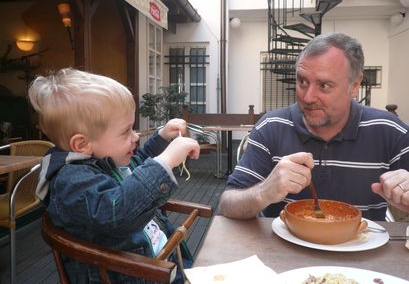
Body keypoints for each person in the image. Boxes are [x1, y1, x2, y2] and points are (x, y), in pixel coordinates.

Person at [28, 68, 200, 283]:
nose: (135, 136)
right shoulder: (71, 181)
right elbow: (118, 213)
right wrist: (165, 162)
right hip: (135, 274)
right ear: (82, 144)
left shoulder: (101, 160)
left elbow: (137, 164)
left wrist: (162, 138)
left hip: (159, 263)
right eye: (126, 131)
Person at [219, 32, 409, 221]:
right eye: (302, 81)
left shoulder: (390, 131)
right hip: (280, 250)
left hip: (362, 247)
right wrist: (265, 191)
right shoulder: (272, 127)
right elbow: (228, 204)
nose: (308, 97)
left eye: (324, 85)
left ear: (354, 85)